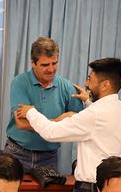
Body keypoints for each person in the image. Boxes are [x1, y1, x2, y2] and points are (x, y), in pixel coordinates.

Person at [15, 57, 121, 192]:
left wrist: (30, 112)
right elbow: (99, 123)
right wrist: (88, 101)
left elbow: (51, 132)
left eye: (90, 79)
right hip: (107, 189)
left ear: (105, 85)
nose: (86, 84)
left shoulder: (95, 114)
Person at [5, 37, 84, 172]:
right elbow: (22, 123)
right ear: (33, 63)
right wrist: (57, 122)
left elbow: (78, 123)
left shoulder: (67, 87)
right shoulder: (19, 83)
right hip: (18, 153)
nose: (51, 69)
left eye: (54, 63)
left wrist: (41, 121)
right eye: (45, 65)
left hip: (49, 156)